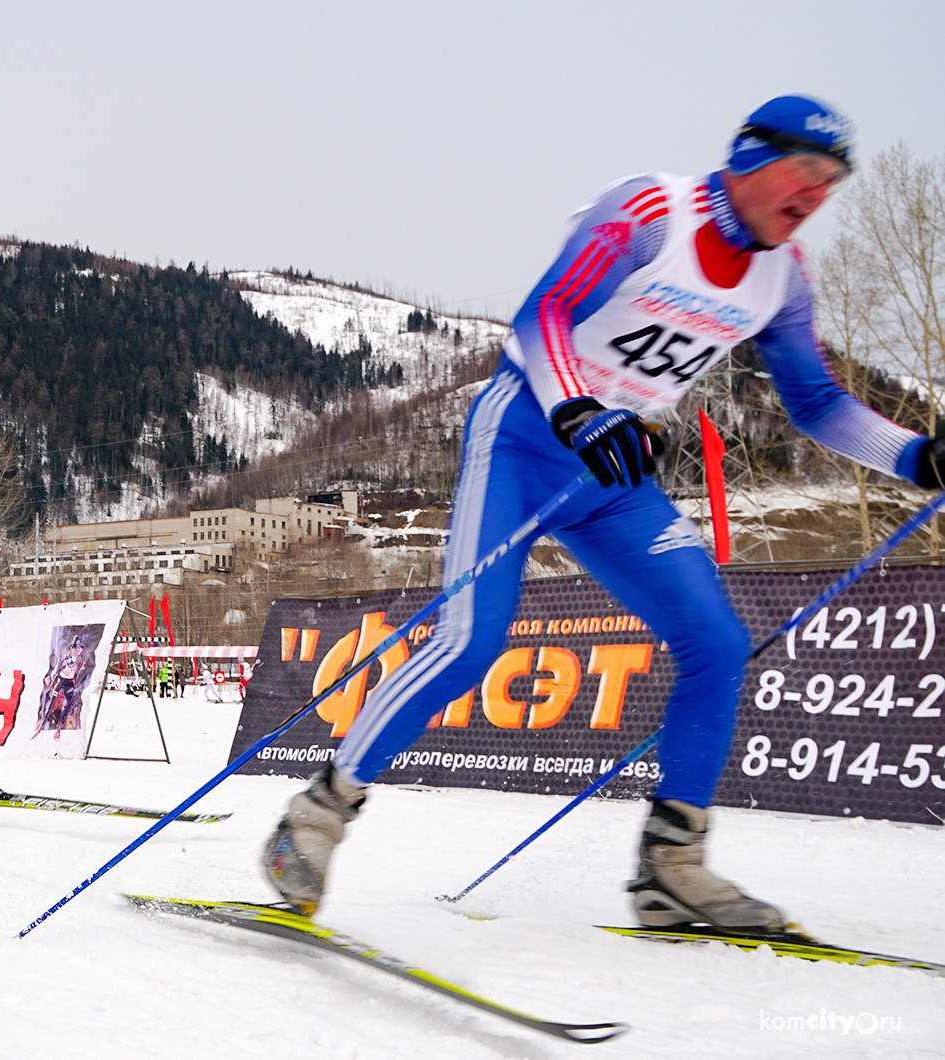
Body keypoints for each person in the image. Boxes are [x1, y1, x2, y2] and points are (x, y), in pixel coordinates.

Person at [264, 96, 945, 932]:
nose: (816, 194)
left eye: (832, 182)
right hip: (525, 439)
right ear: (749, 156)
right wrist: (579, 409)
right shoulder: (653, 214)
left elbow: (815, 403)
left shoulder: (784, 277)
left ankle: (672, 866)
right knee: (472, 642)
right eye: (805, 170)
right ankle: (316, 817)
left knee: (718, 643)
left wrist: (916, 456)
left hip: (612, 471)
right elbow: (540, 317)